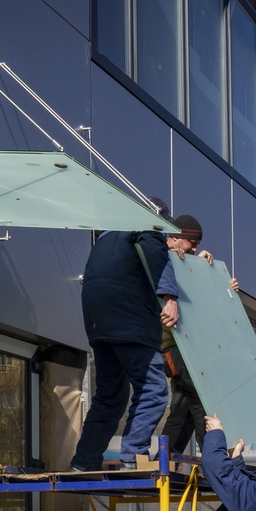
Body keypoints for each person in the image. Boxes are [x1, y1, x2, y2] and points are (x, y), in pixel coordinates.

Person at [71, 202, 179, 471]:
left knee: (110, 395)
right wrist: (169, 296)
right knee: (152, 389)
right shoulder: (145, 226)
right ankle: (132, 456)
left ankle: (84, 462)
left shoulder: (107, 237)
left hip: (99, 323)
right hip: (129, 318)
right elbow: (155, 250)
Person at [160, 214, 239, 456]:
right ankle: (213, 457)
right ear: (173, 238)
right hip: (172, 348)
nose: (195, 248)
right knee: (203, 398)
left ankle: (165, 456)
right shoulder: (161, 259)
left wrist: (223, 286)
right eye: (191, 243)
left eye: (197, 244)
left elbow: (206, 309)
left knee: (183, 408)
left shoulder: (188, 264)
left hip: (187, 347)